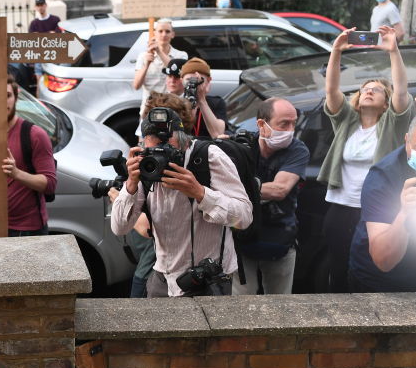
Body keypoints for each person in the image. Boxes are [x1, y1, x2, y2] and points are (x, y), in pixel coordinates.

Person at [109, 95, 252, 297]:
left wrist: (201, 194)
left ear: (185, 141)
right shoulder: (146, 164)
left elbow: (244, 218)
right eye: (153, 148)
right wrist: (131, 184)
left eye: (167, 147)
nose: (160, 155)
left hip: (207, 280)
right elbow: (119, 227)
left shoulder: (209, 158)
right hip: (163, 278)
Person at [318, 26, 413, 293]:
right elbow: (331, 90)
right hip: (340, 209)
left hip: (373, 211)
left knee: (367, 270)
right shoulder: (346, 122)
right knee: (337, 269)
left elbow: (401, 92)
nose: (369, 91)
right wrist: (336, 51)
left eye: (377, 90)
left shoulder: (392, 125)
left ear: (386, 103)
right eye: (364, 89)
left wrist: (393, 51)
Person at [348, 107, 416, 292]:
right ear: (407, 142)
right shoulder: (383, 177)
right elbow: (383, 260)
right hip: (385, 282)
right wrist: (405, 213)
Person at [233, 98, 310, 295]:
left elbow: (279, 190)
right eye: (284, 124)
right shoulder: (243, 145)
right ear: (262, 124)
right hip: (242, 238)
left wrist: (240, 188)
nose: (290, 130)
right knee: (240, 304)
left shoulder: (297, 149)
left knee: (280, 305)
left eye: (293, 123)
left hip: (280, 238)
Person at [0, 75, 57, 237]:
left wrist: (16, 173)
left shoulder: (34, 135)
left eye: (7, 95)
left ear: (15, 98)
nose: (2, 102)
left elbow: (50, 184)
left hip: (29, 229)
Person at [131, 19, 188, 137]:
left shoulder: (181, 55)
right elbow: (136, 85)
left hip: (173, 109)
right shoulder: (144, 56)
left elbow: (176, 70)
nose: (164, 34)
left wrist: (159, 52)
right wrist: (146, 64)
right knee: (145, 143)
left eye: (167, 31)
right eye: (160, 31)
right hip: (149, 109)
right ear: (154, 33)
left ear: (173, 34)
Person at [164, 58, 228, 139]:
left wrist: (201, 100)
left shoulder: (216, 103)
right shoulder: (175, 104)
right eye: (189, 80)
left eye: (199, 80)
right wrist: (188, 105)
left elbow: (218, 134)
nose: (194, 84)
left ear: (208, 80)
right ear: (182, 80)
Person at [28, 0, 62, 84]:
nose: (40, 7)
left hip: (53, 55)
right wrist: (49, 34)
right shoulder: (34, 23)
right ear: (35, 7)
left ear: (46, 5)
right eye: (38, 5)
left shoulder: (55, 20)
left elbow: (58, 37)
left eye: (42, 5)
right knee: (39, 81)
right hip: (39, 55)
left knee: (53, 82)